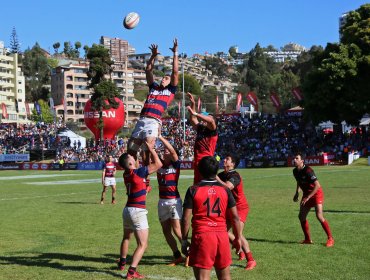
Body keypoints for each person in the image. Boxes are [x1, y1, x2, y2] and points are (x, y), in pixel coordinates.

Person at [127, 38, 178, 190]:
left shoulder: (170, 90)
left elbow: (175, 72)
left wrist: (175, 53)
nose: (164, 78)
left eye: (166, 78)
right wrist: (153, 56)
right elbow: (148, 70)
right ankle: (134, 176)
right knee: (131, 151)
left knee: (147, 150)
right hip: (142, 121)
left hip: (153, 122)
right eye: (163, 77)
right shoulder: (154, 88)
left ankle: (145, 181)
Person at [181, 156, 242, 280]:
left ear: (199, 171)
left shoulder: (193, 190)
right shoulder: (225, 190)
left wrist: (184, 240)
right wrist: (238, 238)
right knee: (225, 277)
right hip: (222, 236)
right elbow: (235, 218)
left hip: (203, 237)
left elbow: (186, 219)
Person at [117, 142, 162, 279]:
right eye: (131, 158)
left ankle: (122, 263)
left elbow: (137, 185)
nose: (134, 158)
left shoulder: (126, 174)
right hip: (137, 210)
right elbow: (159, 164)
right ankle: (131, 271)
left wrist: (145, 189)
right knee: (143, 244)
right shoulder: (138, 172)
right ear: (130, 163)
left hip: (128, 209)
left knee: (126, 237)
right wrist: (151, 150)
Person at [217, 154, 257, 270]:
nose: (224, 160)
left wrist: (215, 178)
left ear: (233, 164)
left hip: (240, 208)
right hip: (229, 208)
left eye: (227, 159)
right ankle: (241, 252)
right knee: (222, 231)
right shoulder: (222, 174)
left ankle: (251, 260)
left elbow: (227, 187)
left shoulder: (235, 175)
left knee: (237, 234)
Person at [292, 153, 334, 247]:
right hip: (307, 194)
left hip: (316, 193)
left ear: (302, 161)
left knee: (319, 216)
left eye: (296, 158)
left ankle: (330, 238)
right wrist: (297, 193)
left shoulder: (308, 170)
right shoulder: (295, 171)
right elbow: (299, 182)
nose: (294, 160)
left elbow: (317, 185)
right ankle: (307, 239)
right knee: (301, 216)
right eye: (294, 158)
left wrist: (308, 197)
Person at [156, 135, 184, 266]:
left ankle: (190, 254)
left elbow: (172, 151)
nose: (165, 150)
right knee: (166, 231)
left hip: (173, 200)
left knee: (177, 229)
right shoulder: (159, 164)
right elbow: (150, 155)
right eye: (164, 150)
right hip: (162, 201)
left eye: (168, 150)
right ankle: (177, 256)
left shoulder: (176, 165)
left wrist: (160, 137)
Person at [186, 92, 218, 184]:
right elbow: (193, 119)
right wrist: (193, 104)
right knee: (197, 185)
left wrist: (195, 113)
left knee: (206, 185)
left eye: (207, 117)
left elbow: (211, 120)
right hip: (197, 161)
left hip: (206, 162)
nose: (204, 119)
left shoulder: (212, 130)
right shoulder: (201, 128)